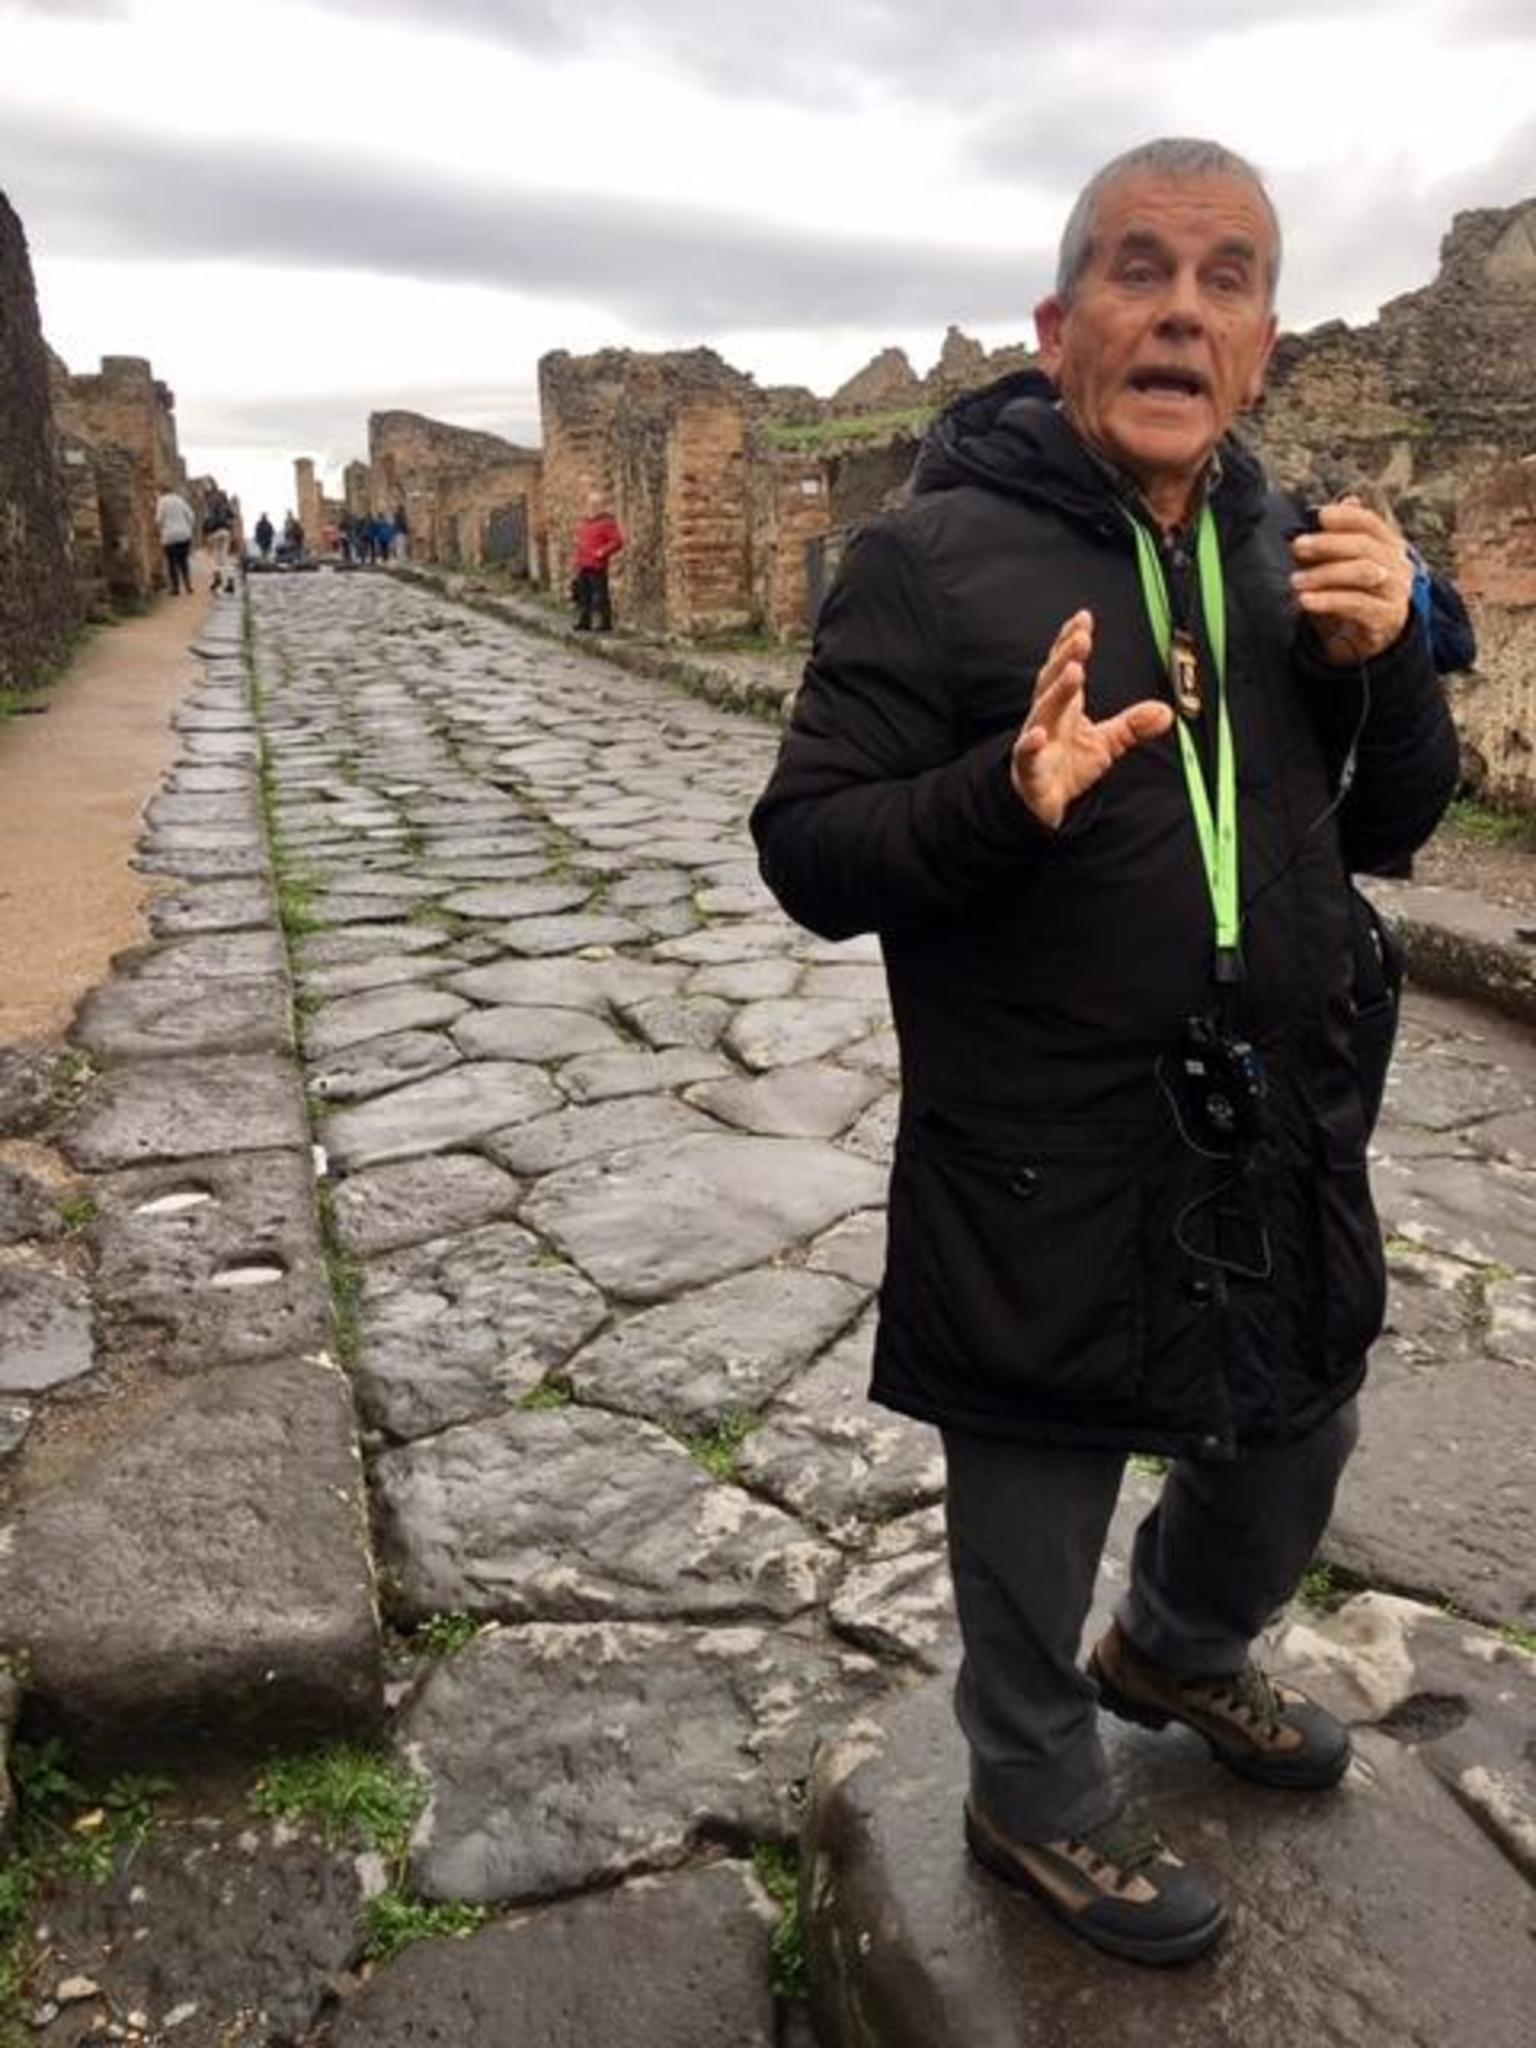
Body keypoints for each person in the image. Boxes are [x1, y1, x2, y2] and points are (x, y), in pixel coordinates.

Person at [751, 138, 1459, 1967]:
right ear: (1066, 326)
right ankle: (1029, 1789)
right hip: (1041, 1126)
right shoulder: (927, 561)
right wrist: (1002, 793)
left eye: (1226, 280)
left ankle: (1185, 1645)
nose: (1181, 308)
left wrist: (1390, 665)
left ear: (1264, 345)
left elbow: (1388, 823)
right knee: (1040, 1467)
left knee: (1298, 1418)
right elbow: (810, 851)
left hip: (1275, 1107)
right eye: (1140, 273)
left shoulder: (1291, 543)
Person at [572, 493, 625, 631]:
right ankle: (585, 621)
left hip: (597, 564)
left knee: (601, 595)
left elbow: (617, 541)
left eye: (596, 505)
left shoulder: (607, 522)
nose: (593, 507)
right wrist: (578, 557)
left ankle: (605, 623)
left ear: (601, 506)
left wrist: (602, 551)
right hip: (584, 563)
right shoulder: (585, 522)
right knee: (584, 595)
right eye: (590, 504)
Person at [153, 485, 197, 595]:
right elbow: (191, 516)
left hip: (169, 536)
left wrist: (159, 529)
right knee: (183, 561)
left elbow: (158, 519)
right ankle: (188, 585)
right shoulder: (180, 500)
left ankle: (175, 588)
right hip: (184, 534)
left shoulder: (162, 501)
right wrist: (189, 529)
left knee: (171, 562)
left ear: (162, 491)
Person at [202, 486, 237, 594]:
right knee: (225, 558)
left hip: (214, 533)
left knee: (213, 557)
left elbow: (207, 520)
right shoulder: (225, 505)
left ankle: (217, 577)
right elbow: (232, 516)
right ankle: (230, 580)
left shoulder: (209, 504)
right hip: (226, 532)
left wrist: (205, 534)